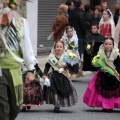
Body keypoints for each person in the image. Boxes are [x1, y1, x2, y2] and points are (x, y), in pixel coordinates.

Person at [0, 0, 37, 119]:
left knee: (15, 106)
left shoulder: (22, 22)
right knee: (3, 107)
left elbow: (27, 45)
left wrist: (30, 69)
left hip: (15, 69)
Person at [83, 37, 120, 112]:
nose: (108, 46)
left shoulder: (116, 53)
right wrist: (101, 68)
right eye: (106, 44)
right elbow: (97, 64)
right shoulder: (100, 53)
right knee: (102, 90)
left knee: (113, 91)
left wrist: (115, 72)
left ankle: (111, 106)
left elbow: (118, 65)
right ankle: (104, 105)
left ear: (113, 45)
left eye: (110, 44)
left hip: (114, 74)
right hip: (103, 74)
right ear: (103, 44)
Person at [43, 41, 78, 112]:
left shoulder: (67, 56)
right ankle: (56, 105)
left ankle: (61, 103)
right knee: (54, 91)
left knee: (62, 91)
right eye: (57, 47)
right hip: (53, 76)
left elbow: (73, 67)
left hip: (63, 76)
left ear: (63, 48)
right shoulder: (51, 57)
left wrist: (66, 65)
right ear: (54, 48)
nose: (59, 48)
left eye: (60, 47)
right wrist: (45, 75)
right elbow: (47, 67)